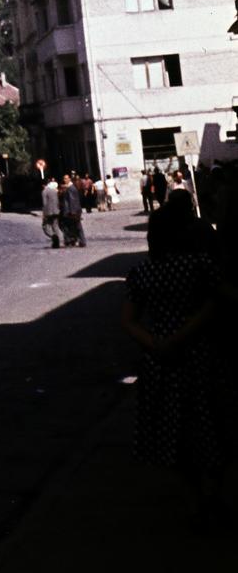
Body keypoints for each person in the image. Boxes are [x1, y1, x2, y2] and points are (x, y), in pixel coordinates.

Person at [122, 199, 222, 521]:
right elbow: (213, 306)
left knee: (174, 434)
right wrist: (182, 337)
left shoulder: (142, 274)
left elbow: (128, 321)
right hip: (201, 355)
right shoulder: (200, 266)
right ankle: (212, 496)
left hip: (161, 362)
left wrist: (157, 343)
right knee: (213, 426)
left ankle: (196, 498)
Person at [60, 175, 85, 248]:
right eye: (64, 178)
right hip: (73, 211)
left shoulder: (70, 188)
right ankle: (74, 240)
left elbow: (72, 201)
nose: (65, 180)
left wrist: (73, 212)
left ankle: (80, 241)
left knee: (76, 226)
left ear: (69, 179)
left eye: (66, 178)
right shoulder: (70, 188)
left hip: (72, 211)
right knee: (74, 226)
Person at [41, 176, 62, 248]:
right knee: (55, 226)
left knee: (45, 227)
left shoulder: (44, 192)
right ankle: (57, 242)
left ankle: (53, 237)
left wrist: (44, 214)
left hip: (49, 212)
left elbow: (45, 203)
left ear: (43, 185)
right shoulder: (54, 190)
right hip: (56, 211)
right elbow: (57, 201)